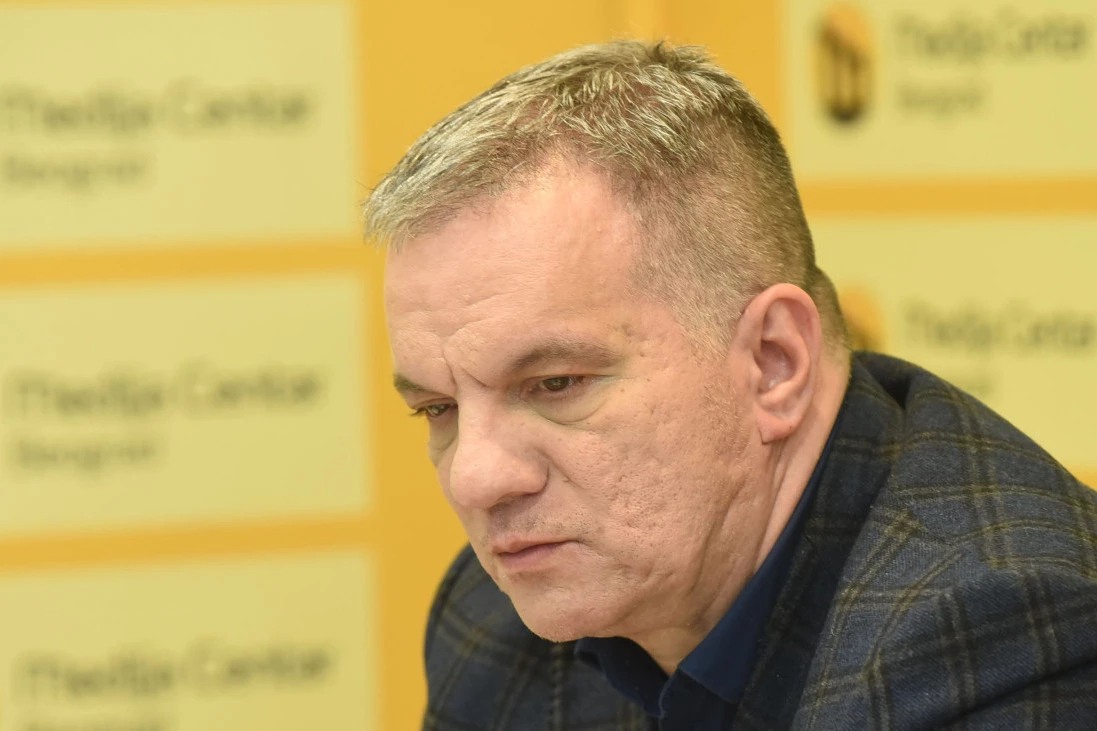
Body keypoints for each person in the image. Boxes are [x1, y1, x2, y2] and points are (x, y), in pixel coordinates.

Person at [365, 41, 1097, 730]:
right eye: (439, 408)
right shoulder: (495, 621)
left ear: (773, 363)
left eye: (555, 383)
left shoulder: (1012, 635)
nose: (476, 479)